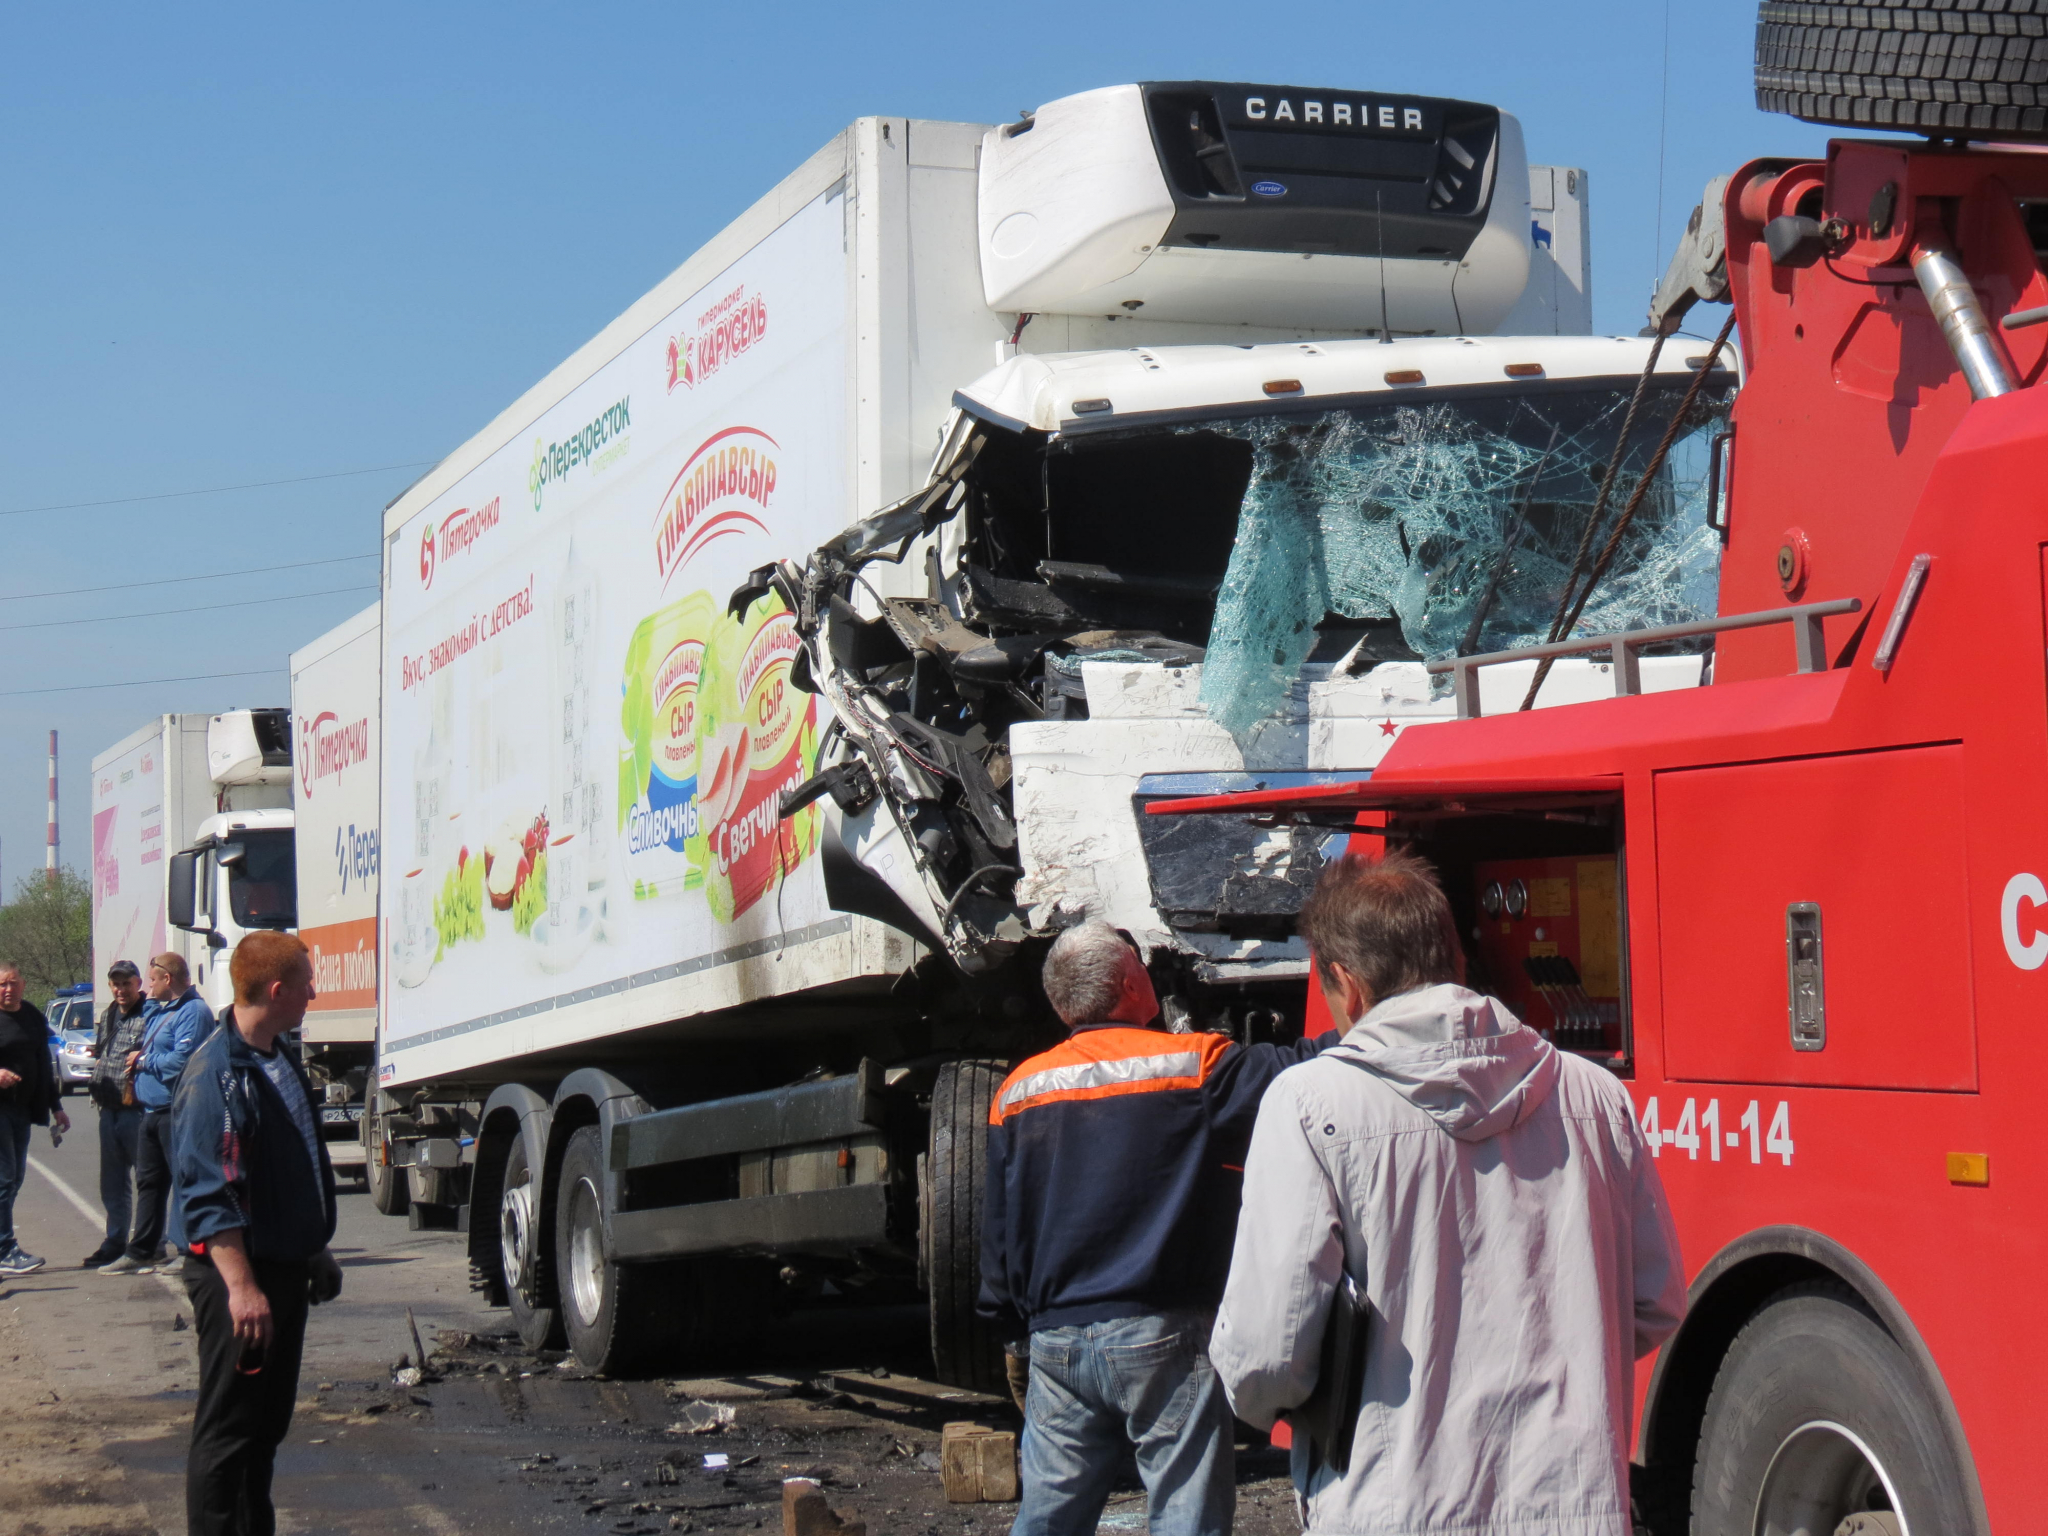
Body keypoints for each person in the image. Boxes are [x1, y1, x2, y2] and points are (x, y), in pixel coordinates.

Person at [1210, 851, 1686, 1536]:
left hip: (1390, 1506)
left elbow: (1266, 1354)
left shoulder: (1311, 1102)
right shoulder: (1594, 1095)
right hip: (1572, 1505)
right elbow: (1655, 1299)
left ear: (1348, 984)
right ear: (1455, 961)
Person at [980, 919, 1345, 1536]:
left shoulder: (1017, 1093)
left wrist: (1013, 1330)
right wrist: (1378, 1018)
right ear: (1128, 983)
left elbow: (1001, 1232)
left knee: (1048, 1518)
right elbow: (1302, 1068)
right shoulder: (1190, 1065)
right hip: (1161, 1333)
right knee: (1186, 1515)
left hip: (1057, 1341)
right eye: (1141, 965)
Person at [172, 930, 341, 1536]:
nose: (314, 993)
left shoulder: (275, 1054)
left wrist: (311, 1248)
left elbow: (286, 1167)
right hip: (237, 1279)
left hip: (280, 1269)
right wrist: (243, 1290)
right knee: (229, 1433)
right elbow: (210, 1196)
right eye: (305, 984)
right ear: (276, 991)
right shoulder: (215, 1075)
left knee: (263, 1431)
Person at [103, 951, 214, 1275]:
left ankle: (187, 1249)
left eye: (152, 980)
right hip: (150, 1111)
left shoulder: (193, 1012)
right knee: (149, 1181)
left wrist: (143, 1061)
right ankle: (144, 1249)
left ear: (168, 978)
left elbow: (184, 1061)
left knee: (183, 1180)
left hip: (177, 1110)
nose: (147, 988)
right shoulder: (159, 1010)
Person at [0, 961, 73, 1276]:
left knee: (14, 1179)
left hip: (24, 1108)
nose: (8, 989)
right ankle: (5, 1249)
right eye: (2, 984)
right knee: (4, 1178)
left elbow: (43, 1063)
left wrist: (56, 1106)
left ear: (23, 984)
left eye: (13, 982)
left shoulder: (31, 1016)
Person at [84, 960, 150, 1268]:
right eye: (116, 984)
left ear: (138, 983)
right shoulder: (108, 1013)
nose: (121, 989)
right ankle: (115, 1240)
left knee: (147, 1179)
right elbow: (102, 1052)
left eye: (126, 983)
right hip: (108, 1107)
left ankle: (153, 1241)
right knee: (112, 1181)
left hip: (135, 1110)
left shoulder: (150, 1014)